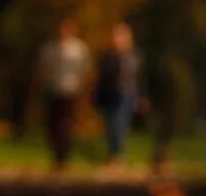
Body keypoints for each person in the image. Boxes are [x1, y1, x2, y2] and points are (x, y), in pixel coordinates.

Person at [34, 17, 90, 171]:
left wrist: (82, 89)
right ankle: (56, 154)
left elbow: (85, 70)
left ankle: (63, 157)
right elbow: (41, 70)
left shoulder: (79, 49)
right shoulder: (49, 48)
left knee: (66, 125)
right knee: (52, 124)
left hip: (71, 91)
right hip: (52, 90)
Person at [94, 23, 143, 166]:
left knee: (119, 124)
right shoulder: (107, 57)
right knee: (110, 126)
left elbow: (140, 79)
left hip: (126, 94)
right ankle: (112, 154)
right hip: (109, 95)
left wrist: (141, 97)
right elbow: (100, 79)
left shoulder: (134, 56)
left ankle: (117, 155)